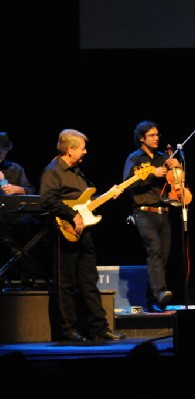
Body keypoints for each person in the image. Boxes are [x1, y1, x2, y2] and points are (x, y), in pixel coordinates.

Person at [39, 129, 125, 342]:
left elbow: (86, 202)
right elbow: (47, 200)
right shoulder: (53, 171)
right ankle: (68, 332)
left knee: (89, 281)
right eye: (82, 148)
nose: (86, 152)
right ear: (70, 149)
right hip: (64, 233)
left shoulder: (78, 173)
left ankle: (99, 328)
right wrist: (72, 215)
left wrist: (108, 195)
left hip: (84, 233)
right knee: (65, 284)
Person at [123, 120, 182, 313]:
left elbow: (177, 182)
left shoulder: (163, 157)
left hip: (164, 212)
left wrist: (177, 167)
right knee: (154, 250)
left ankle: (153, 299)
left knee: (163, 257)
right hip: (143, 212)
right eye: (152, 135)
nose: (157, 138)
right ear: (142, 138)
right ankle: (161, 294)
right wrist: (152, 175)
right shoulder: (135, 158)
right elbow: (128, 184)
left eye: (157, 135)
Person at [0, 131, 45, 288]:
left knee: (38, 228)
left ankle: (28, 277)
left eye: (4, 150)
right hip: (1, 218)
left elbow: (31, 191)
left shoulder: (15, 168)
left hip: (16, 216)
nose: (2, 153)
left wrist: (18, 189)